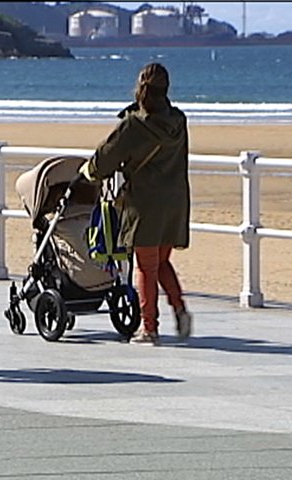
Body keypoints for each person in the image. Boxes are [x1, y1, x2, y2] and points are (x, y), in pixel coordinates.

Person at [78, 62, 192, 346]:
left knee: (145, 266)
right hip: (176, 200)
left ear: (140, 88)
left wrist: (88, 173)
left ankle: (149, 329)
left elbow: (105, 158)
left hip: (145, 203)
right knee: (161, 261)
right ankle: (178, 307)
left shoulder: (133, 124)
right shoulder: (178, 121)